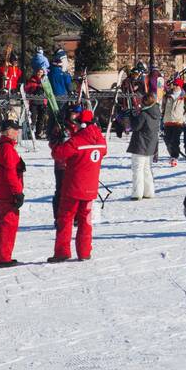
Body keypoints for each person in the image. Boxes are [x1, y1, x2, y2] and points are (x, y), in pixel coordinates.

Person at [49, 109, 106, 262]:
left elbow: (58, 154)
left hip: (73, 188)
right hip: (91, 188)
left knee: (65, 219)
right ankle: (84, 252)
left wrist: (56, 142)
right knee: (85, 221)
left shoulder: (77, 141)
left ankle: (62, 252)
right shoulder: (101, 140)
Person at [0, 118, 25, 267]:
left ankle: (4, 256)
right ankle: (3, 258)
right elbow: (10, 173)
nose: (17, 132)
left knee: (8, 223)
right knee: (8, 224)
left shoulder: (3, 146)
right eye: (15, 129)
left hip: (3, 190)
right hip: (7, 192)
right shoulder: (6, 148)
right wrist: (17, 192)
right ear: (8, 131)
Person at [126, 93, 162, 200]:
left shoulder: (144, 114)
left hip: (141, 144)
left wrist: (132, 116)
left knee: (137, 169)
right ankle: (149, 191)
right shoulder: (156, 112)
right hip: (150, 144)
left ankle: (137, 193)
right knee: (146, 169)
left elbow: (135, 126)